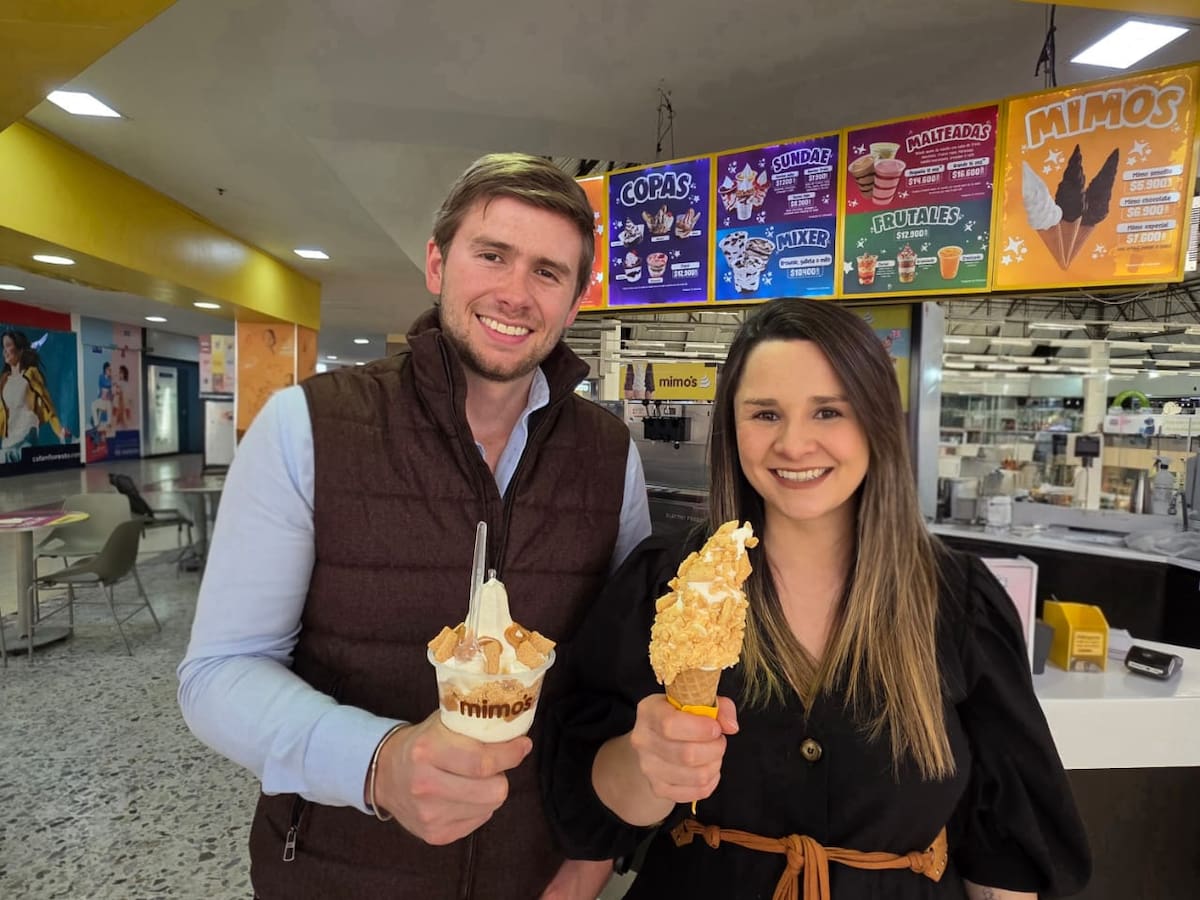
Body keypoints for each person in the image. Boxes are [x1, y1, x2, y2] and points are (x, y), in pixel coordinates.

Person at [178, 153, 651, 900]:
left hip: (535, 874)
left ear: (575, 301)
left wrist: (587, 865)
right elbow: (217, 674)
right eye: (491, 255)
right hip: (335, 873)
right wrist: (379, 761)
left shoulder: (609, 456)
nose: (515, 293)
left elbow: (619, 683)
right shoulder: (308, 427)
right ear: (437, 264)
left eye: (547, 272)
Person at [542, 299, 1091, 899]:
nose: (794, 444)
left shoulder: (957, 602)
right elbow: (589, 808)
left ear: (877, 421)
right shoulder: (668, 588)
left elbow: (1003, 855)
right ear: (733, 427)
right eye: (765, 414)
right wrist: (646, 764)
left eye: (828, 411)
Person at [1, 329, 72, 463]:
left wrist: (59, 430)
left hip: (25, 444)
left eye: (8, 345)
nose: (4, 350)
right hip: (6, 445)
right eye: (3, 346)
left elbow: (47, 404)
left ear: (20, 350)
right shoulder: (4, 380)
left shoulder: (30, 375)